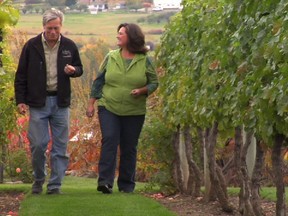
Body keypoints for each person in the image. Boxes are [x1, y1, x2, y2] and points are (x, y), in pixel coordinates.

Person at [14, 9, 83, 195]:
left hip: (61, 102)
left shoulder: (69, 46)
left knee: (60, 147)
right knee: (38, 144)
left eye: (56, 28)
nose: (53, 32)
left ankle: (55, 186)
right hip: (38, 102)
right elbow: (20, 75)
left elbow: (79, 68)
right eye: (49, 28)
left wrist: (73, 71)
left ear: (61, 27)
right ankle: (38, 178)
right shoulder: (32, 46)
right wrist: (21, 100)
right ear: (43, 27)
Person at [86, 23, 158, 194]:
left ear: (131, 37)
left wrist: (142, 90)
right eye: (117, 33)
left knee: (129, 146)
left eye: (121, 34)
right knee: (110, 140)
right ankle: (105, 182)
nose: (117, 36)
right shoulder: (111, 57)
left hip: (134, 110)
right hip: (109, 106)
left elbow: (154, 82)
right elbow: (99, 81)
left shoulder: (145, 60)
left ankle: (126, 185)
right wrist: (91, 103)